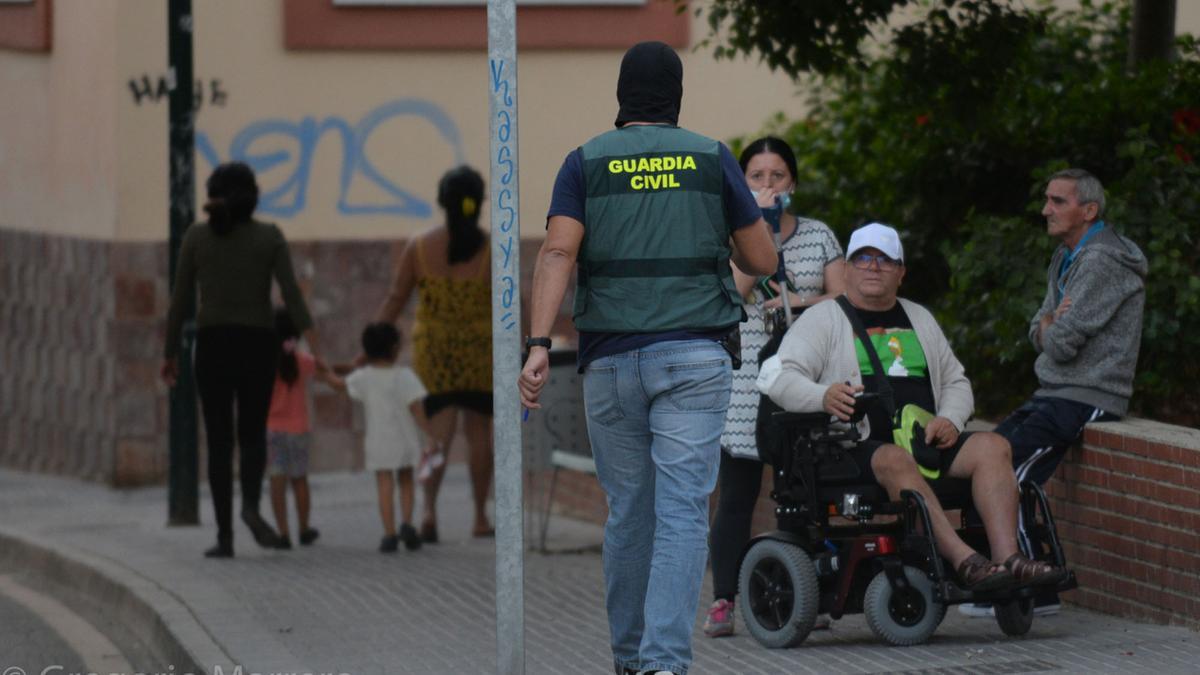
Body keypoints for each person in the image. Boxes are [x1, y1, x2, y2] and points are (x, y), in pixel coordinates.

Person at [517, 41, 777, 675]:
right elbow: (764, 262)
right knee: (684, 509)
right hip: (695, 359)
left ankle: (630, 660)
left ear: (622, 95)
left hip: (609, 365)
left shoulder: (584, 162)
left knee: (629, 512)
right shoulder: (711, 157)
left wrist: (538, 345)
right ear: (677, 95)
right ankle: (665, 663)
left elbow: (557, 253)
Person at [763, 223, 1068, 597]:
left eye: (885, 260)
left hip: (924, 443)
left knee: (993, 445)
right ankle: (966, 562)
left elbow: (957, 382)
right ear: (846, 271)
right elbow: (777, 378)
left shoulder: (918, 317)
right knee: (894, 458)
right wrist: (822, 396)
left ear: (901, 272)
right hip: (851, 449)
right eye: (863, 259)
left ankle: (1008, 561)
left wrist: (950, 420)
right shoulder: (824, 319)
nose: (873, 267)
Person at [961, 168, 1146, 619]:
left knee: (1013, 477)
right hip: (1055, 390)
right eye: (1047, 199)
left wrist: (1051, 328)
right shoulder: (1066, 257)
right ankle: (995, 573)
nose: (1046, 209)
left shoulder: (1103, 262)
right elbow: (1039, 328)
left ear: (1089, 210)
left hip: (1087, 393)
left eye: (1057, 201)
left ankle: (1032, 590)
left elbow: (1061, 341)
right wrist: (1050, 325)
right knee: (987, 458)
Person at [704, 137, 846, 638]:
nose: (768, 186)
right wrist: (758, 231)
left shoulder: (819, 236)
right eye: (757, 178)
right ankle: (723, 600)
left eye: (778, 176)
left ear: (794, 182)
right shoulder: (727, 237)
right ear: (741, 186)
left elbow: (842, 299)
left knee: (802, 490)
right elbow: (729, 293)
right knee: (737, 493)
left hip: (802, 380)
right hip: (744, 383)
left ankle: (812, 595)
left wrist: (805, 303)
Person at [162, 162, 321, 558]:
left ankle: (225, 536)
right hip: (257, 345)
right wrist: (319, 349)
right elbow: (292, 297)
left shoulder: (197, 237)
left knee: (219, 441)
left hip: (213, 346)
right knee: (252, 435)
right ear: (252, 196)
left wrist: (169, 354)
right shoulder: (269, 237)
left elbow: (179, 301)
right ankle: (250, 506)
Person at [374, 165, 492, 542]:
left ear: (443, 202)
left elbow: (396, 299)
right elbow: (512, 305)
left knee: (436, 437)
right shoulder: (492, 249)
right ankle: (479, 516)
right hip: (479, 352)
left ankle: (427, 511)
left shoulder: (420, 246)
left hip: (435, 355)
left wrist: (373, 347)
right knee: (480, 436)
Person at [327, 323, 435, 553]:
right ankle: (407, 523)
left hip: (378, 441)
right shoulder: (404, 375)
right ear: (395, 348)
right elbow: (417, 408)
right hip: (405, 440)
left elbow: (339, 385)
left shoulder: (363, 377)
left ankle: (389, 534)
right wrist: (429, 435)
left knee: (384, 484)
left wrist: (323, 371)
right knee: (406, 479)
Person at [265, 307, 333, 550]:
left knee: (276, 479)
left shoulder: (264, 362)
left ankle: (283, 533)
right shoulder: (301, 360)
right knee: (300, 479)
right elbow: (325, 371)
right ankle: (304, 528)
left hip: (272, 428)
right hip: (298, 429)